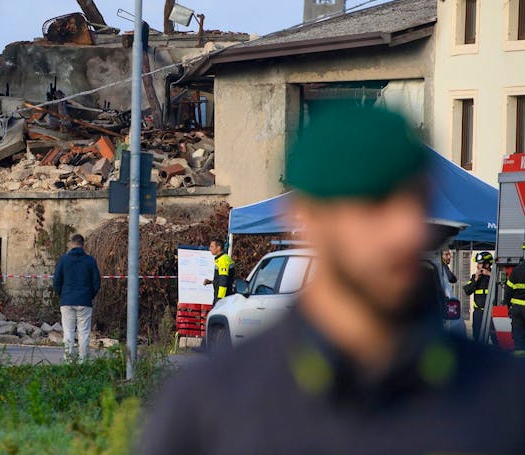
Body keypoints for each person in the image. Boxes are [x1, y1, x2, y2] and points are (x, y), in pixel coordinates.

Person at [139, 105, 525, 454]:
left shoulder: (501, 397)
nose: (407, 230)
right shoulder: (214, 406)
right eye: (375, 203)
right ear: (306, 218)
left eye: (417, 202)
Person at [53, 233, 101, 361]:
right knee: (84, 332)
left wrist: (62, 295)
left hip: (67, 300)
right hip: (84, 300)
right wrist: (89, 295)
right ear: (83, 244)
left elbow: (57, 280)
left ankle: (69, 360)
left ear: (71, 244)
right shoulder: (90, 261)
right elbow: (96, 282)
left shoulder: (64, 260)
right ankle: (83, 360)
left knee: (68, 332)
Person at [463, 251, 494, 341]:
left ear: (487, 265)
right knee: (477, 338)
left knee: (495, 338)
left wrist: (490, 275)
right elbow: (467, 291)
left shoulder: (494, 276)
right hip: (478, 313)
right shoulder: (475, 277)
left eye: (480, 263)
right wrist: (476, 280)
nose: (477, 266)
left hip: (492, 313)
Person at [506, 242, 525, 356]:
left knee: (518, 338)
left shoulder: (516, 270)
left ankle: (519, 365)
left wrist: (508, 307)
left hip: (517, 310)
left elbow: (508, 292)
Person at [202, 237, 233, 304]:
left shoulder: (223, 260)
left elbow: (223, 281)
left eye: (212, 246)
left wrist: (220, 299)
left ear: (218, 248)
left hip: (223, 297)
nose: (210, 249)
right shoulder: (221, 259)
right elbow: (222, 278)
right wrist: (211, 282)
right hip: (222, 296)